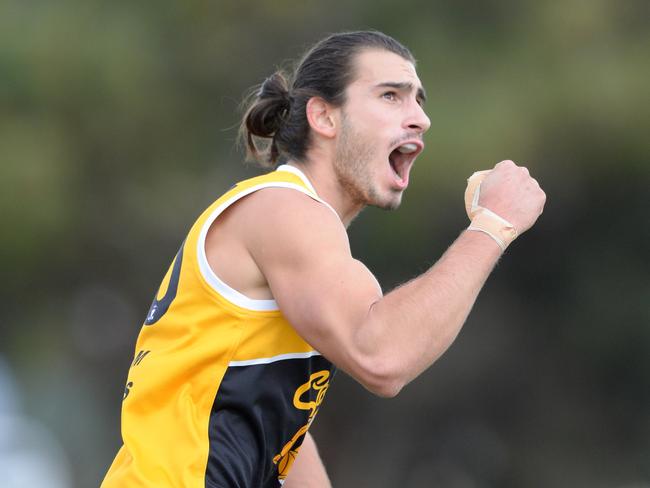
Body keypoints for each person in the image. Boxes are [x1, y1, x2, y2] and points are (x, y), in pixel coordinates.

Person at [102, 30, 545, 488]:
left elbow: (283, 430)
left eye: (419, 100)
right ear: (324, 117)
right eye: (391, 95)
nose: (420, 119)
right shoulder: (285, 210)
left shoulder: (301, 229)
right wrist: (492, 226)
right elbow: (382, 355)